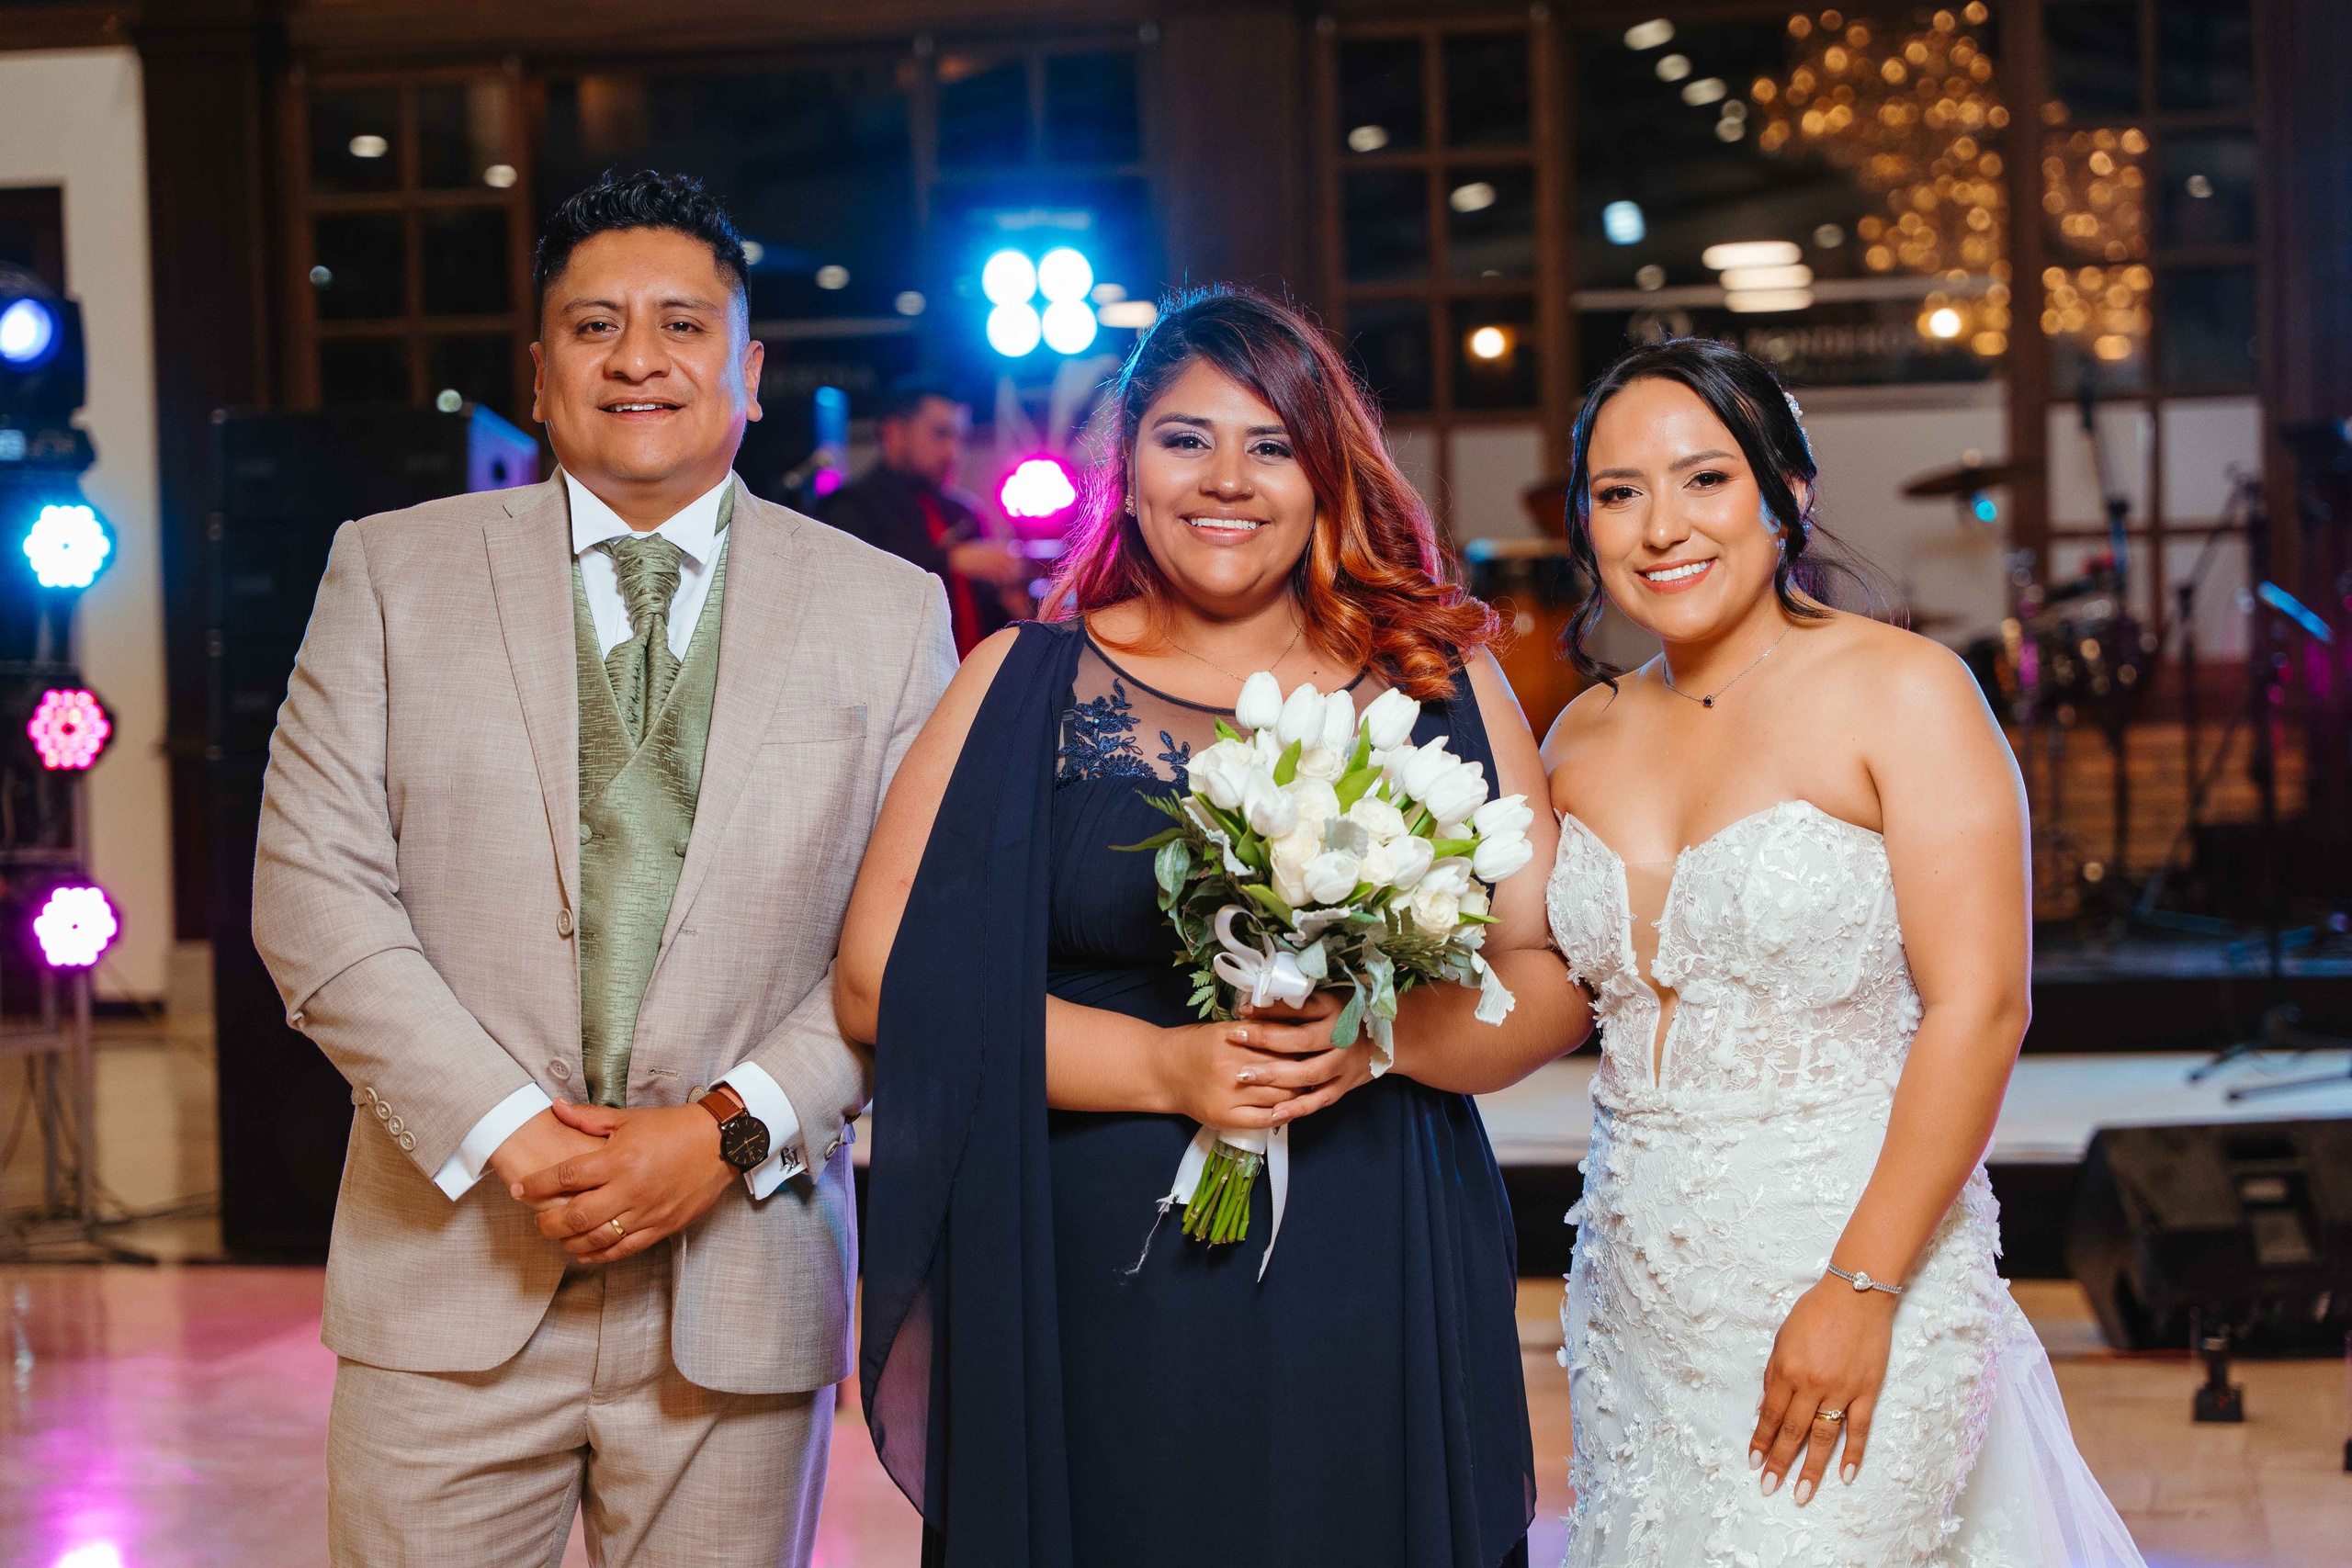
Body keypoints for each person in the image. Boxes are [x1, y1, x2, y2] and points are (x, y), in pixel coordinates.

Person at [252, 169, 955, 1565]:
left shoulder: (889, 612)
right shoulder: (388, 573)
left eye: (684, 324)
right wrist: (514, 1133)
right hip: (448, 1277)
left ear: (748, 369)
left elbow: (918, 941)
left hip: (736, 1286)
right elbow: (313, 894)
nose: (640, 357)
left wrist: (724, 1129)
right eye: (595, 326)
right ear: (539, 370)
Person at [838, 288, 1589, 1568]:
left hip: (1374, 1247)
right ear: (1125, 470)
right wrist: (1165, 1066)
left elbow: (1553, 973)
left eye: (1272, 444)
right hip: (1095, 1262)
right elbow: (875, 981)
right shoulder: (1016, 682)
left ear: (1326, 475)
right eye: (1186, 440)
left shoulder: (1437, 681)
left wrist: (1382, 1039)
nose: (1225, 479)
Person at [1540, 337, 2145, 1565]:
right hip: (1640, 1298)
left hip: (1861, 1257)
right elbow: (1550, 993)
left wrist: (1859, 1287)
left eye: (1705, 478)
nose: (1662, 525)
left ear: (1786, 492)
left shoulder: (1905, 690)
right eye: (1619, 492)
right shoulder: (1578, 736)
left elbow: (1982, 1005)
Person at [818, 374, 1031, 655]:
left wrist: (1015, 600)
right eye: (940, 434)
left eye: (960, 437)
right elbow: (863, 581)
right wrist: (952, 559)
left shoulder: (964, 513)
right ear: (893, 433)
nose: (953, 452)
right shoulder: (849, 507)